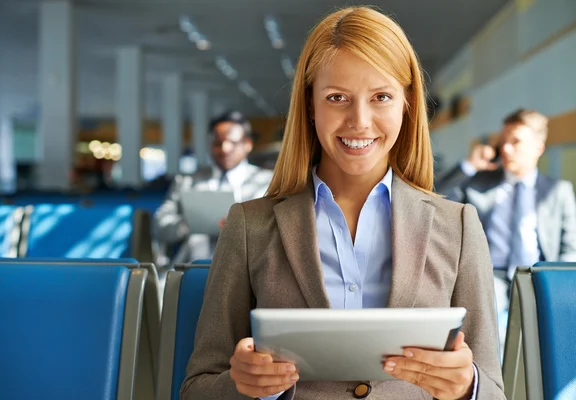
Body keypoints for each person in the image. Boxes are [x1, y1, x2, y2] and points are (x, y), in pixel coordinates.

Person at [181, 7, 504, 400]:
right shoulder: (250, 226)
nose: (360, 121)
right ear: (310, 107)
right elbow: (198, 388)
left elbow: (492, 390)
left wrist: (467, 386)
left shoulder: (459, 227)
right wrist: (246, 387)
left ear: (406, 104)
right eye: (337, 98)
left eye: (381, 97)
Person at [436, 108, 576, 343]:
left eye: (516, 142)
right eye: (503, 142)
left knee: (547, 340)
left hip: (538, 275)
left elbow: (570, 246)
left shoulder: (557, 191)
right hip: (491, 275)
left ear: (538, 148)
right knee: (486, 334)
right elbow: (432, 197)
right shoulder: (479, 183)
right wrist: (470, 165)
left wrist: (555, 284)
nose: (506, 149)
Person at [154, 110, 273, 263]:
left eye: (233, 143)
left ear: (247, 144)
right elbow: (160, 226)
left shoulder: (266, 183)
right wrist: (189, 223)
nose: (225, 149)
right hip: (192, 266)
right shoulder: (186, 182)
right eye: (218, 143)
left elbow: (276, 231)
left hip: (245, 269)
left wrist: (242, 228)